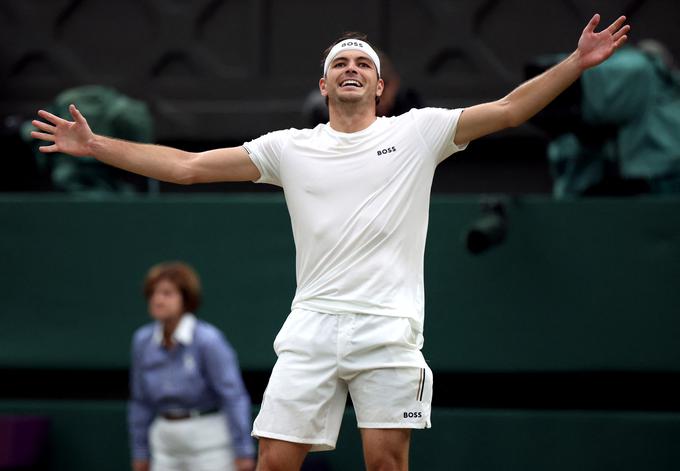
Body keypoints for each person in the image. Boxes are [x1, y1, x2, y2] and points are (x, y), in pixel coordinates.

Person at [31, 14, 629, 471]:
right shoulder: (288, 147)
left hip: (387, 328)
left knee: (385, 464)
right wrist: (98, 146)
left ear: (379, 85)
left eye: (362, 64)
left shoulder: (420, 133)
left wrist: (576, 62)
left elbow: (505, 110)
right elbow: (187, 166)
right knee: (274, 462)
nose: (351, 68)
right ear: (324, 83)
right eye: (340, 62)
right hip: (311, 328)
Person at [128, 261, 256, 471]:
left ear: (186, 299)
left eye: (167, 293)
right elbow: (140, 402)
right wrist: (140, 452)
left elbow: (232, 396)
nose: (157, 300)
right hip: (164, 447)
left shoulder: (209, 340)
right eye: (153, 293)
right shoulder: (142, 341)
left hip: (210, 448)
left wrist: (243, 450)